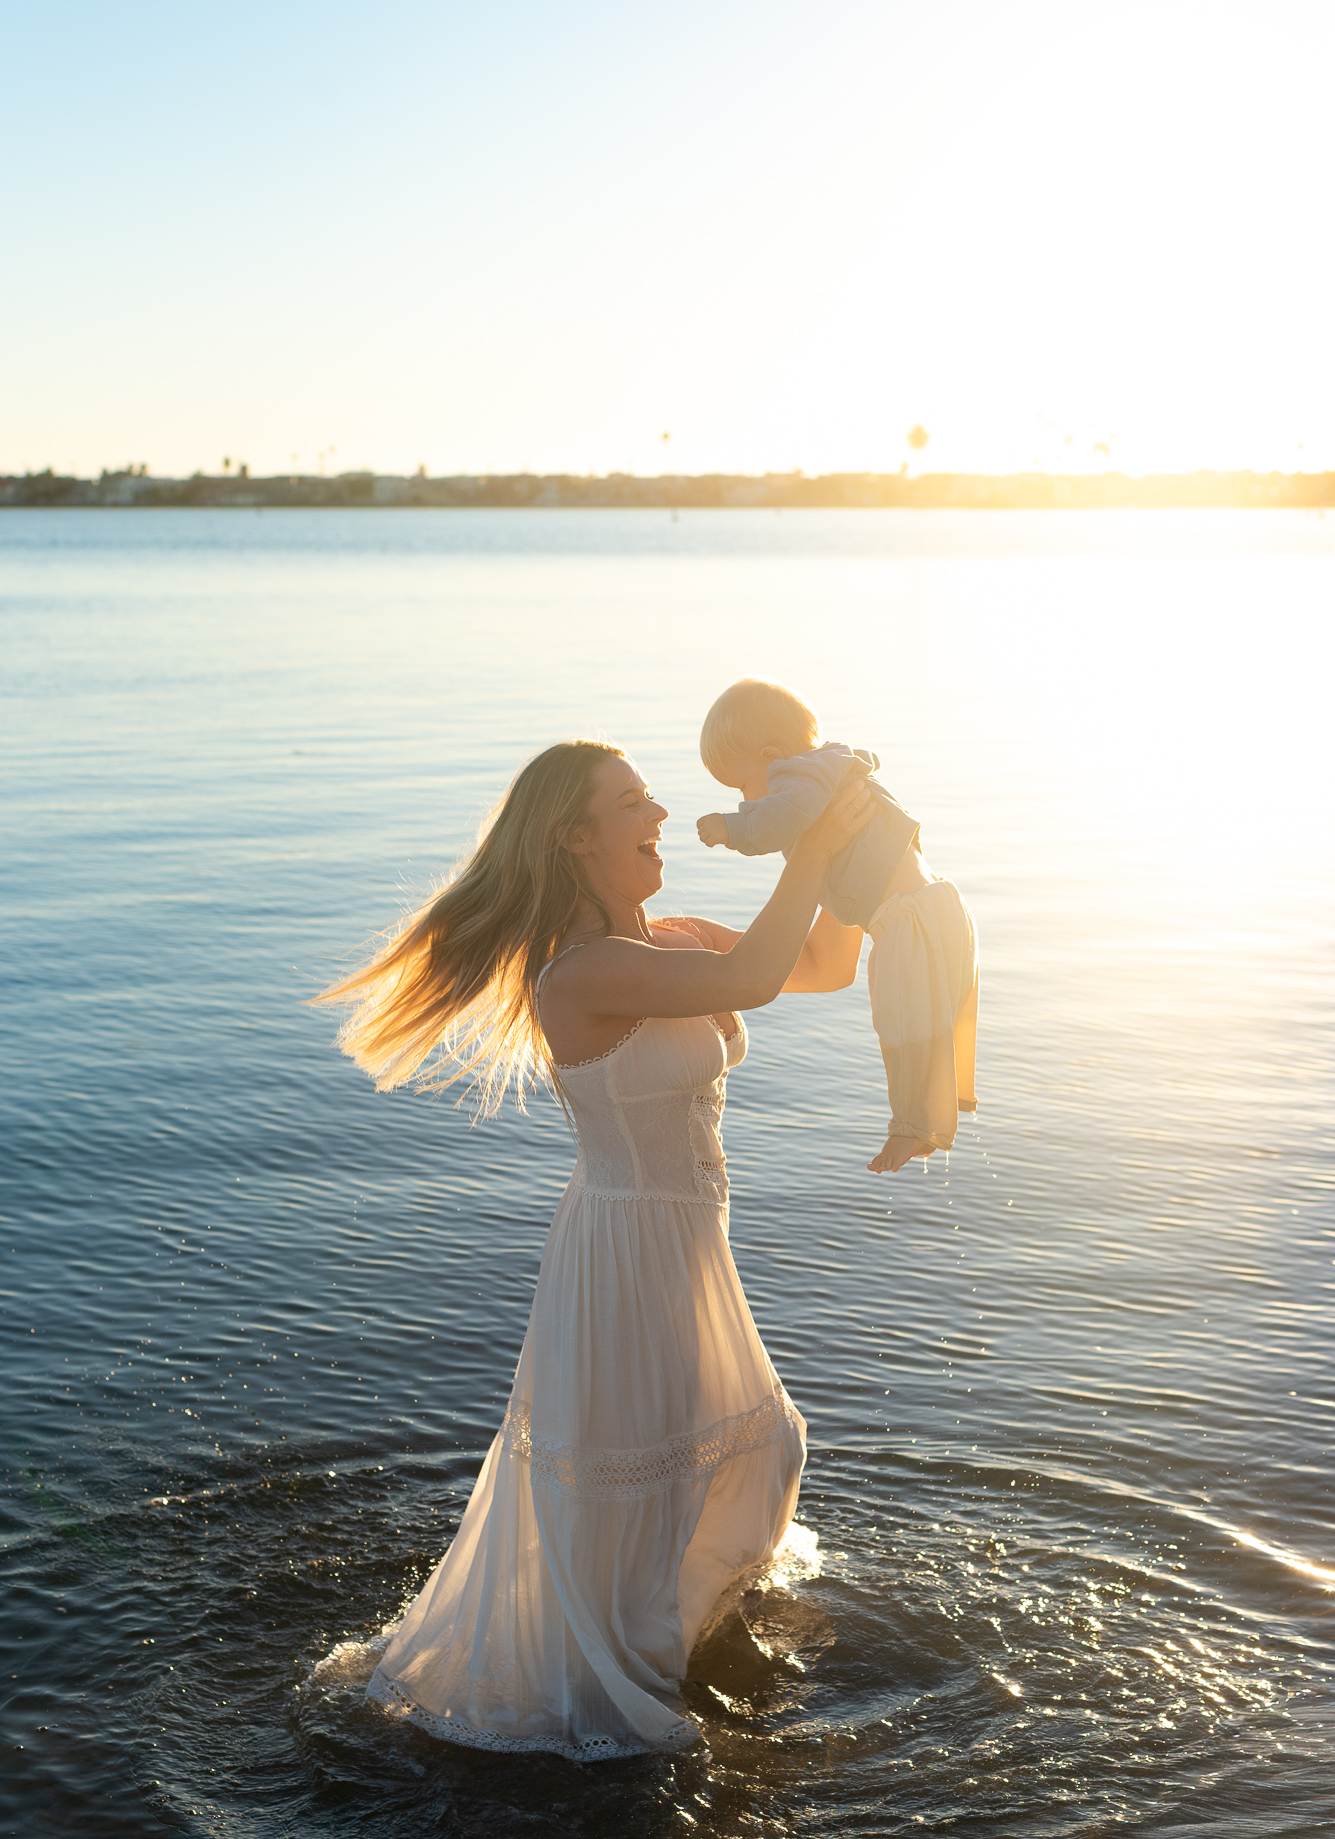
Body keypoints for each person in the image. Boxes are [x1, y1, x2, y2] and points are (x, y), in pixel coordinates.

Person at [314, 738, 872, 1762]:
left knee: (750, 1448)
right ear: (576, 837)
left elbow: (823, 964)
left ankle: (695, 1637)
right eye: (631, 800)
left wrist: (855, 842)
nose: (658, 808)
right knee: (684, 1467)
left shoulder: (669, 941)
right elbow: (749, 976)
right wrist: (814, 836)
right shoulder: (582, 974)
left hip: (689, 1240)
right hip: (625, 1252)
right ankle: (643, 1662)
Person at [695, 678, 979, 1175]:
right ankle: (949, 1105)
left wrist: (733, 827)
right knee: (944, 1016)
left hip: (903, 921)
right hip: (943, 905)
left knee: (904, 1024)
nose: (747, 798)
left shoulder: (796, 779)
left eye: (742, 787)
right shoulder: (835, 766)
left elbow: (781, 817)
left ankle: (912, 1125)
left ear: (772, 755)